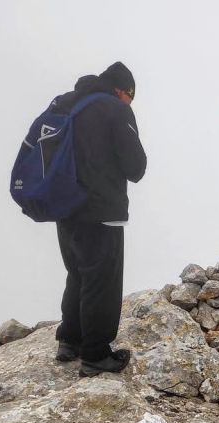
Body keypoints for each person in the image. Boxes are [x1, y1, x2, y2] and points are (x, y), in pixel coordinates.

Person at [45, 62, 147, 377]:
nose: (130, 103)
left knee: (77, 272)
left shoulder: (66, 103)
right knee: (101, 280)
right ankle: (95, 355)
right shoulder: (115, 109)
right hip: (101, 211)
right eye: (131, 97)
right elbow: (136, 167)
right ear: (122, 90)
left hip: (64, 208)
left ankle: (70, 341)